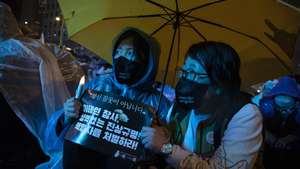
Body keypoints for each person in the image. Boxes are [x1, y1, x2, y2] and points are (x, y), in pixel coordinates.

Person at [141, 41, 263, 169]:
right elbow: (166, 137)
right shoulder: (181, 106)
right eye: (184, 71)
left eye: (193, 73)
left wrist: (166, 149)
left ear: (219, 84)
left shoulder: (245, 115)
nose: (184, 79)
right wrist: (155, 123)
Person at [62, 28, 170, 169]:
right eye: (118, 52)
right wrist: (67, 116)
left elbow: (170, 153)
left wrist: (164, 143)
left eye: (130, 53)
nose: (121, 58)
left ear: (146, 61)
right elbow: (58, 134)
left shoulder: (159, 103)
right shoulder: (96, 87)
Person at [259, 76, 300, 169]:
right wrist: (269, 137)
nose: (283, 111)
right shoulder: (267, 107)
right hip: (270, 149)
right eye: (279, 107)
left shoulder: (298, 111)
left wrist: (290, 138)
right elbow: (257, 124)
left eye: (288, 107)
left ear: (297, 103)